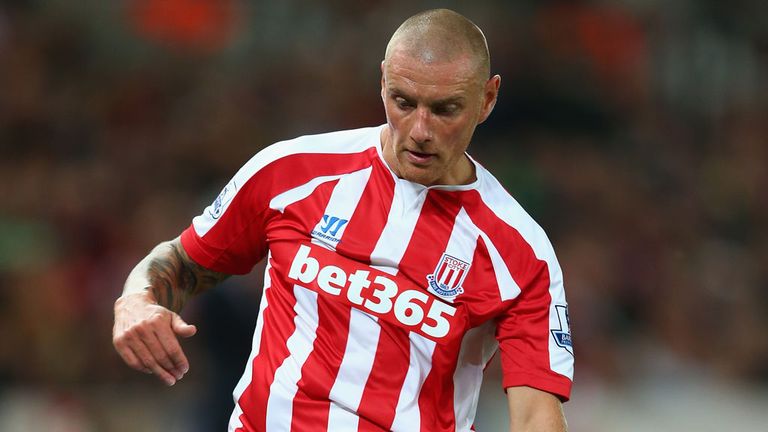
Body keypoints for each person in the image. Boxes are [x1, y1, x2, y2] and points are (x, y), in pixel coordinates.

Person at [113, 8, 573, 432]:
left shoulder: (519, 250)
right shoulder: (291, 171)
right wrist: (136, 298)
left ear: (488, 98)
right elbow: (183, 261)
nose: (419, 130)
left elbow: (536, 415)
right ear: (382, 82)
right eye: (403, 101)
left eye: (445, 109)